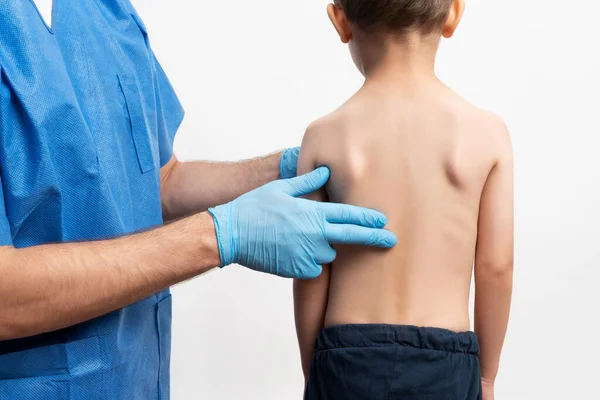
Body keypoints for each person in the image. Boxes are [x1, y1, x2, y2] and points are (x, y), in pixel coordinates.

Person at [0, 1, 398, 399]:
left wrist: (289, 166)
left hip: (139, 380)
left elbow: (158, 181)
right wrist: (220, 235)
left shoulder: (107, 12)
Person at [293, 0, 514, 399]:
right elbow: (496, 267)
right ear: (454, 14)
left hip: (346, 361)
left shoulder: (324, 135)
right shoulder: (486, 134)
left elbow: (310, 269)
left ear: (340, 20)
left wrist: (313, 369)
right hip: (445, 365)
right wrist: (486, 377)